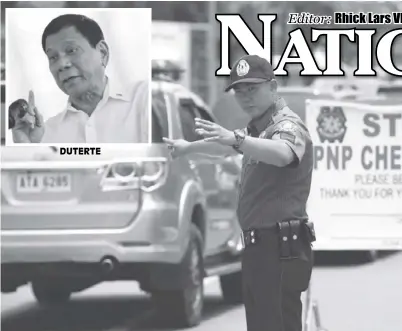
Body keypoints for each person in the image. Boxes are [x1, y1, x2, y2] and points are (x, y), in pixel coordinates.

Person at [163, 54, 316, 331]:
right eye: (239, 91)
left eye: (252, 89)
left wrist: (238, 140)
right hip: (261, 247)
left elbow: (283, 154)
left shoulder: (286, 125)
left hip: (280, 246)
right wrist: (188, 147)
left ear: (273, 86)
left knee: (278, 325)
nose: (245, 97)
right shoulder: (259, 129)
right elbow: (225, 147)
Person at [10, 14, 148, 144]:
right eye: (53, 57)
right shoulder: (46, 135)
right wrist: (27, 148)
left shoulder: (144, 99)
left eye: (71, 50)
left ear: (102, 52)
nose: (62, 65)